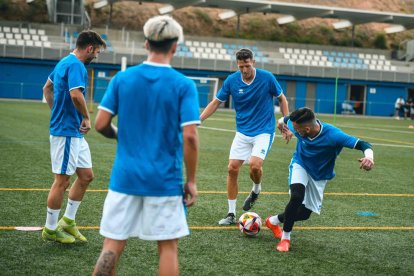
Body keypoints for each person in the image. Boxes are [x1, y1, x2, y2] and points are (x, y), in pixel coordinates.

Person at [93, 15, 200, 276]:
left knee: (113, 243)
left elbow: (100, 124)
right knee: (167, 247)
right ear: (175, 47)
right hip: (164, 180)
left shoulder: (122, 79)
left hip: (124, 177)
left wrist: (123, 135)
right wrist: (192, 181)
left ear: (145, 44)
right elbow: (190, 137)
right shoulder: (184, 85)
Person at [265, 107, 375, 252]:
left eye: (297, 130)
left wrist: (369, 157)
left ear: (308, 129)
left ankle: (273, 221)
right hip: (300, 164)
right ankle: (285, 238)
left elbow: (364, 144)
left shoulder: (334, 135)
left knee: (304, 214)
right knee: (297, 197)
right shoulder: (295, 123)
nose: (295, 131)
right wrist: (282, 127)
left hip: (320, 175)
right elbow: (283, 120)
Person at [200, 48, 289, 225]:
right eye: (241, 67)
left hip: (263, 131)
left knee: (255, 166)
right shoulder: (232, 81)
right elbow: (216, 102)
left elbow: (282, 99)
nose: (244, 70)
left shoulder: (267, 78)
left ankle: (256, 189)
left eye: (247, 66)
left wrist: (286, 122)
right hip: (242, 132)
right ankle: (231, 214)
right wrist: (199, 119)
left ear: (253, 62)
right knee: (232, 168)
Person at [42, 30, 106, 243]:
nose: (95, 56)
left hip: (72, 133)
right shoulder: (77, 65)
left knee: (86, 176)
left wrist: (56, 111)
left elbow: (47, 88)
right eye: (96, 52)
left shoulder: (63, 62)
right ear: (89, 48)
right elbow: (75, 95)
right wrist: (86, 118)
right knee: (62, 180)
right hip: (67, 132)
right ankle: (50, 229)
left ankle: (68, 221)